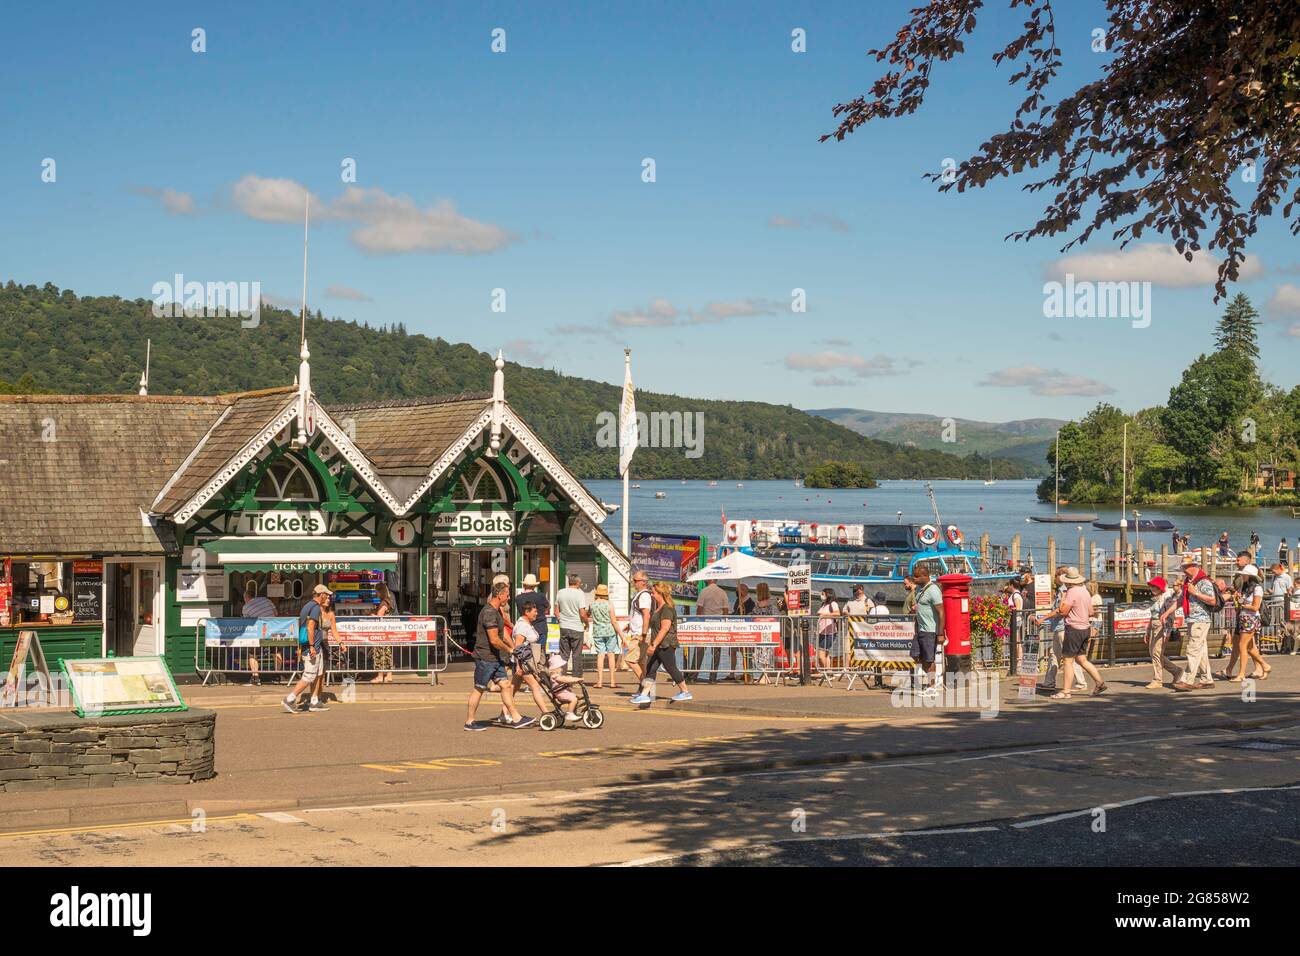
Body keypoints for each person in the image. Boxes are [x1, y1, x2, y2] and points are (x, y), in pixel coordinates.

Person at [464, 582, 533, 731]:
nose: (508, 598)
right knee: (479, 688)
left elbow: (503, 633)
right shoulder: (489, 612)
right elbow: (494, 640)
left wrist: (514, 647)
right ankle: (469, 722)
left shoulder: (497, 611)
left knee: (506, 685)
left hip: (495, 658)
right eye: (507, 595)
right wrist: (509, 650)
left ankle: (516, 718)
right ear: (499, 595)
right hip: (485, 657)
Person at [1036, 567, 1106, 698]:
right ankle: (1099, 682)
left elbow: (1063, 611)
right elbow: (1091, 612)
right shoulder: (1085, 591)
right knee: (1082, 659)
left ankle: (1065, 691)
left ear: (1068, 581)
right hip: (1085, 628)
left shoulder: (1071, 592)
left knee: (1067, 660)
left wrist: (1063, 600)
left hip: (1074, 629)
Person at [630, 582, 691, 705]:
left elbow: (665, 629)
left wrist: (653, 645)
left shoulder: (667, 609)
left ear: (660, 594)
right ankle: (644, 695)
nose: (651, 595)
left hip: (665, 644)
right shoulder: (658, 608)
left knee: (670, 667)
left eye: (653, 593)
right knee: (651, 669)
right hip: (658, 644)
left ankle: (685, 691)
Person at [283, 584, 332, 713]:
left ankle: (314, 702)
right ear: (321, 595)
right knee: (309, 675)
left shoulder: (307, 605)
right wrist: (311, 646)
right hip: (312, 647)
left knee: (318, 674)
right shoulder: (315, 608)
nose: (327, 597)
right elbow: (310, 627)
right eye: (326, 594)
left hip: (315, 646)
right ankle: (289, 699)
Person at [1225, 564, 1270, 682]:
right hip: (1242, 617)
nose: (1242, 576)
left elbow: (1255, 607)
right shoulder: (1244, 587)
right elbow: (1241, 602)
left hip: (1250, 619)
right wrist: (1238, 599)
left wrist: (1244, 605)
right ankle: (1265, 665)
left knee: (1242, 645)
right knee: (1249, 647)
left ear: (1250, 576)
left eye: (1244, 574)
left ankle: (1241, 674)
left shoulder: (1257, 588)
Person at [1045, 567, 1087, 692]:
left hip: (1063, 626)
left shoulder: (1065, 591)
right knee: (1054, 655)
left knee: (1069, 657)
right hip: (1059, 627)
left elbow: (1061, 610)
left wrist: (1044, 618)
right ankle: (1049, 682)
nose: (1055, 578)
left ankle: (1081, 682)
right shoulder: (1061, 591)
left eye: (1057, 575)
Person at [1144, 576, 1190, 690]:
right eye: (1151, 586)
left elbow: (1170, 617)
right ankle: (1176, 671)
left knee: (1156, 653)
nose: (1152, 588)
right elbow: (1152, 616)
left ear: (1160, 587)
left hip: (1161, 626)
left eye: (1155, 586)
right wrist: (1147, 631)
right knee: (1154, 653)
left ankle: (1157, 679)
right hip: (1154, 626)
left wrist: (1167, 632)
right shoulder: (1156, 598)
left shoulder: (1167, 598)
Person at [1180, 557, 1219, 689]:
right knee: (1201, 650)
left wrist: (1195, 592)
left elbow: (1212, 600)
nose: (1183, 571)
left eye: (1184, 568)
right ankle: (1206, 679)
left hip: (1200, 619)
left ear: (1192, 566)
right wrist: (1167, 613)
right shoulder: (1189, 581)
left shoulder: (1203, 582)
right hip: (1192, 619)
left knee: (1193, 649)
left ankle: (1187, 680)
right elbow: (1181, 600)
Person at [910, 568, 944, 697]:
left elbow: (941, 612)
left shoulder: (934, 590)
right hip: (919, 629)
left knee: (929, 659)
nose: (914, 579)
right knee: (916, 656)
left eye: (917, 577)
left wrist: (940, 633)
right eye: (914, 576)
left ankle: (932, 687)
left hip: (930, 630)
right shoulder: (920, 589)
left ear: (925, 576)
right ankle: (934, 679)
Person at [240, 580, 276, 685]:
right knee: (276, 652)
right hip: (273, 629)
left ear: (246, 598)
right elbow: (275, 613)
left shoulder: (246, 607)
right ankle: (277, 675)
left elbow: (246, 621)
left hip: (258, 633)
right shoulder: (265, 600)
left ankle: (255, 677)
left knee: (253, 654)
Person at [692, 579, 729, 680]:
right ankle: (713, 676)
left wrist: (698, 622)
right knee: (716, 652)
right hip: (718, 626)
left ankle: (693, 675)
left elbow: (699, 609)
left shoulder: (703, 592)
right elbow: (726, 611)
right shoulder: (723, 592)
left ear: (708, 580)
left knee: (699, 650)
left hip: (705, 624)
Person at [555, 574, 591, 677]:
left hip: (564, 626)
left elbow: (556, 611)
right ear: (578, 583)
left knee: (564, 654)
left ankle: (562, 675)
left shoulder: (560, 592)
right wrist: (587, 623)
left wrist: (560, 620)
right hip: (576, 627)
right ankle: (576, 677)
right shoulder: (580, 594)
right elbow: (582, 613)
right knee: (576, 654)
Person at [589, 584, 623, 689]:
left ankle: (599, 682)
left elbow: (590, 616)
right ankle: (612, 681)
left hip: (598, 632)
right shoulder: (609, 604)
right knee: (611, 655)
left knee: (600, 656)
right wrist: (622, 635)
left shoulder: (592, 604)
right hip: (610, 632)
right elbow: (614, 621)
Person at [624, 571, 654, 684]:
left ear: (643, 582)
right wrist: (629, 625)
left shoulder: (644, 595)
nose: (633, 582)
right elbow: (639, 615)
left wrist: (644, 634)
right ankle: (646, 689)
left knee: (630, 660)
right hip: (637, 632)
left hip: (640, 634)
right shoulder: (640, 594)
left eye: (635, 581)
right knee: (641, 662)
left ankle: (645, 685)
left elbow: (646, 615)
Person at [369, 581, 397, 683]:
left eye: (377, 591)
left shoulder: (383, 603)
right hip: (387, 631)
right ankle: (389, 675)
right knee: (387, 653)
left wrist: (372, 616)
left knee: (379, 653)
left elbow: (379, 617)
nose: (376, 594)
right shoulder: (389, 601)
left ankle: (380, 676)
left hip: (381, 632)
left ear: (381, 591)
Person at [815, 587, 842, 676]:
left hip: (829, 633)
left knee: (820, 654)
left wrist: (824, 614)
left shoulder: (833, 604)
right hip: (822, 632)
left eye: (823, 594)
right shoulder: (823, 604)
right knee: (825, 654)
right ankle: (828, 672)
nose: (821, 596)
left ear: (828, 594)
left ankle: (827, 673)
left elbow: (837, 614)